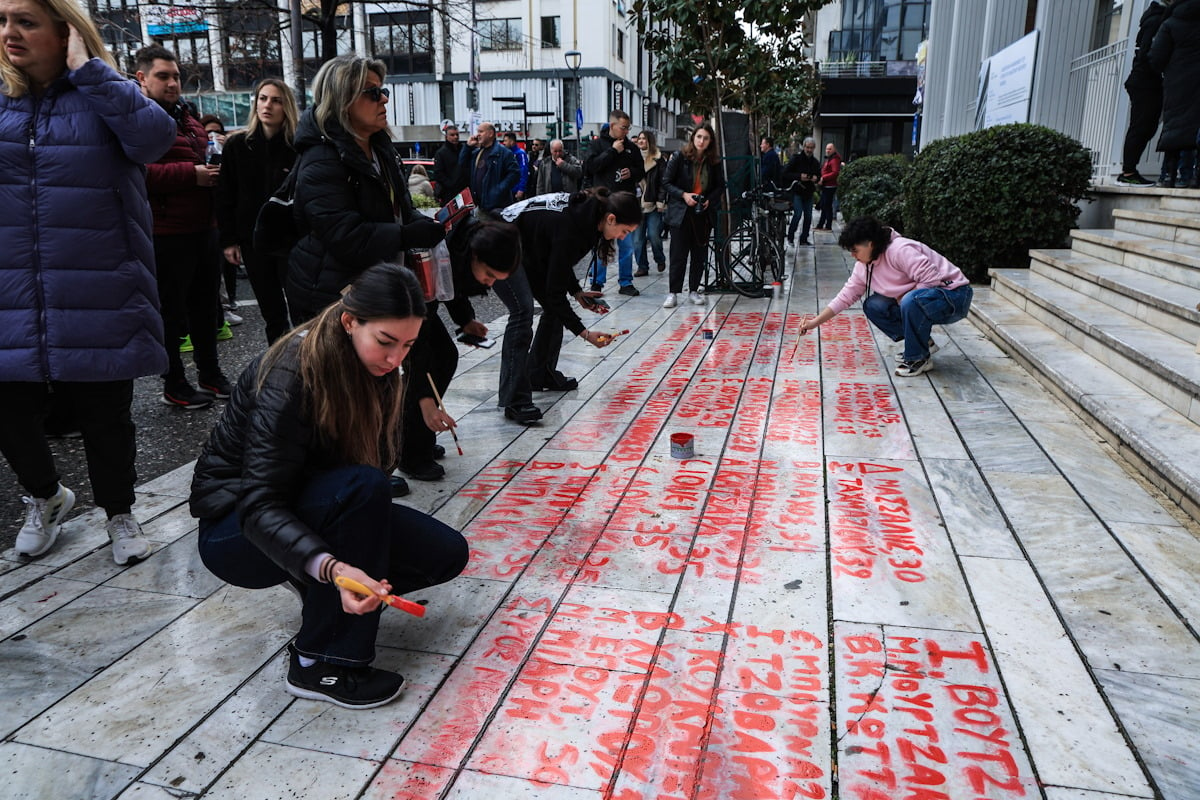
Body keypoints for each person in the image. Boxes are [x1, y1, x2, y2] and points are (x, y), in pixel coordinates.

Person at [191, 263, 469, 709]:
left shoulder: (375, 371)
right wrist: (334, 569)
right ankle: (320, 662)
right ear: (349, 321)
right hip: (235, 529)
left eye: (408, 345)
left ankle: (318, 590)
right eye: (385, 342)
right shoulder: (291, 373)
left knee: (445, 554)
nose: (396, 358)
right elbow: (260, 504)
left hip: (307, 507)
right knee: (365, 487)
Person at [1, 0, 175, 564]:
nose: (9, 33)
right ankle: (46, 497)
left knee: (104, 413)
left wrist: (89, 71)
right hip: (11, 289)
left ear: (65, 29)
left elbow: (154, 139)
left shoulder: (103, 92)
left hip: (98, 286)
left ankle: (120, 514)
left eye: (24, 20)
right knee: (9, 409)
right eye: (1, 20)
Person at [287, 55, 444, 323]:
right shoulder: (321, 158)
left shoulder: (381, 148)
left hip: (379, 283)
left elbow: (400, 210)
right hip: (335, 299)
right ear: (343, 99)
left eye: (383, 91)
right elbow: (345, 236)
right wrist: (406, 235)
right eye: (372, 92)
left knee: (437, 359)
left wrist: (426, 224)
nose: (384, 99)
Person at [137, 44, 230, 409]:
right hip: (165, 233)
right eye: (163, 76)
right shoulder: (138, 119)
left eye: (176, 75)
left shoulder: (187, 117)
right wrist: (191, 175)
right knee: (171, 314)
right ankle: (174, 383)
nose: (173, 82)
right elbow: (136, 173)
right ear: (142, 78)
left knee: (206, 309)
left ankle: (211, 374)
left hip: (203, 227)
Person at [400, 219, 522, 480]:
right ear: (475, 256)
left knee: (445, 355)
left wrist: (465, 320)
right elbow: (415, 343)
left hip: (420, 306)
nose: (489, 284)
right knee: (427, 364)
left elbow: (451, 287)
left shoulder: (459, 251)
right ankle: (409, 451)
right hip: (403, 305)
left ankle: (418, 436)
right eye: (488, 276)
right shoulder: (440, 255)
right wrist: (425, 399)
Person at [797, 217, 973, 378]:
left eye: (855, 250)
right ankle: (923, 342)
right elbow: (845, 296)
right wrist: (814, 323)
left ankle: (918, 357)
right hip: (925, 298)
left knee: (910, 301)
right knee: (874, 305)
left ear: (870, 244)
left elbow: (931, 279)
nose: (853, 255)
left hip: (954, 295)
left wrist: (904, 297)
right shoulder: (863, 265)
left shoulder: (900, 250)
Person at [499, 189, 635, 392]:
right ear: (611, 219)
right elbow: (555, 292)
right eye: (625, 231)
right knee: (522, 311)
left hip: (530, 248)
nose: (623, 238)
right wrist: (586, 333)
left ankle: (539, 373)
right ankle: (514, 395)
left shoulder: (587, 218)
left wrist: (576, 291)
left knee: (554, 312)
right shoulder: (575, 226)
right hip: (502, 244)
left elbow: (558, 261)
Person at [215, 77, 299, 343]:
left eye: (276, 100)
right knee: (271, 312)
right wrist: (229, 240)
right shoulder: (237, 145)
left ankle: (307, 364)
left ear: (286, 106)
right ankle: (279, 363)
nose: (267, 106)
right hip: (253, 240)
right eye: (263, 98)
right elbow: (225, 195)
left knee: (300, 309)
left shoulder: (298, 146)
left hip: (291, 240)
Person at [661, 123, 726, 308]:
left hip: (702, 212)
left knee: (699, 254)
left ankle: (693, 290)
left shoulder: (714, 162)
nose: (701, 141)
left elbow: (720, 186)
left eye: (705, 138)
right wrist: (683, 195)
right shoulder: (679, 157)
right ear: (693, 138)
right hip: (681, 212)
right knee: (678, 254)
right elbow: (666, 182)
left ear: (710, 141)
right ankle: (673, 292)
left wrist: (709, 200)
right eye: (699, 137)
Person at [584, 110, 645, 296]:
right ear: (612, 126)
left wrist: (632, 173)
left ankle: (625, 282)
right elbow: (590, 167)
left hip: (625, 202)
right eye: (623, 127)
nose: (626, 131)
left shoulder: (631, 148)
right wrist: (612, 151)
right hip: (602, 203)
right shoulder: (597, 145)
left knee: (626, 244)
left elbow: (641, 171)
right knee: (600, 243)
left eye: (628, 128)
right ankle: (597, 282)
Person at [1116, 0, 1171, 186]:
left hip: (1145, 80)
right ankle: (1128, 173)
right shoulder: (1156, 20)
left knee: (1145, 127)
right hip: (1145, 81)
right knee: (1141, 126)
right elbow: (1148, 52)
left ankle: (1129, 171)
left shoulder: (1154, 17)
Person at [1149, 0, 1200, 189]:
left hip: (1177, 81)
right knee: (1196, 128)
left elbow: (1156, 57)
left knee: (1174, 126)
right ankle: (1193, 177)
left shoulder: (1170, 23)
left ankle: (1168, 176)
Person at [458, 121, 520, 212]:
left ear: (490, 133)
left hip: (497, 206)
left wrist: (498, 190)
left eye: (481, 132)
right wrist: (467, 146)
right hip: (479, 205)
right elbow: (462, 164)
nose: (478, 135)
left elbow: (515, 174)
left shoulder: (503, 152)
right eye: (477, 131)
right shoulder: (477, 153)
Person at [632, 129, 667, 276]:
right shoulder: (632, 158)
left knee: (654, 236)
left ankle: (659, 259)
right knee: (638, 240)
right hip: (636, 206)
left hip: (653, 204)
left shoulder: (658, 159)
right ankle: (642, 267)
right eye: (639, 138)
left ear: (649, 141)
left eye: (644, 139)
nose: (640, 141)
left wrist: (660, 202)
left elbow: (663, 182)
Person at [781, 137, 820, 246]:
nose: (809, 150)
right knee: (797, 214)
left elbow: (819, 174)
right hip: (797, 191)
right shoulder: (796, 159)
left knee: (808, 216)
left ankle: (804, 239)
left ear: (814, 148)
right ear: (804, 147)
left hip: (809, 192)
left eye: (811, 148)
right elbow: (785, 173)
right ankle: (790, 237)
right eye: (807, 147)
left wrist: (816, 178)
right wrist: (799, 176)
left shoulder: (815, 162)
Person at [432, 123, 466, 203]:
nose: (455, 137)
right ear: (446, 137)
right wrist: (451, 184)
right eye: (452, 135)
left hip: (464, 191)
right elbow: (438, 173)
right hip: (449, 194)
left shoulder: (463, 150)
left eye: (457, 134)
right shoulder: (441, 153)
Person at [815, 142, 841, 230]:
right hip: (826, 185)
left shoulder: (834, 160)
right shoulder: (830, 159)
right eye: (827, 149)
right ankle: (821, 224)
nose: (828, 150)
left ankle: (827, 225)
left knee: (827, 206)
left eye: (830, 149)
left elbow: (835, 173)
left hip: (830, 186)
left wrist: (823, 178)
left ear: (834, 150)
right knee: (824, 206)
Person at [501, 131, 530, 201]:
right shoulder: (505, 154)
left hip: (516, 191)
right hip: (507, 190)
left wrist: (521, 189)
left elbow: (524, 171)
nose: (503, 143)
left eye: (505, 141)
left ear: (512, 142)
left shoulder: (520, 154)